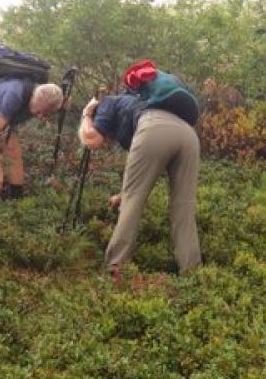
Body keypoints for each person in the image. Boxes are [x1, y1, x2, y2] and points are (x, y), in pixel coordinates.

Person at [78, 89, 201, 277]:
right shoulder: (135, 104)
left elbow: (91, 139)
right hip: (189, 135)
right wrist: (122, 193)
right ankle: (193, 272)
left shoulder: (106, 103)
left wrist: (86, 114)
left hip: (154, 128)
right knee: (184, 206)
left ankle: (115, 267)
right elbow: (141, 172)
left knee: (133, 201)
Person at [0, 79, 63, 198]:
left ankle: (16, 198)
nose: (41, 117)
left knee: (13, 150)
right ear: (34, 98)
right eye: (38, 112)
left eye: (45, 114)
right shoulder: (14, 95)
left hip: (5, 113)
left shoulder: (44, 99)